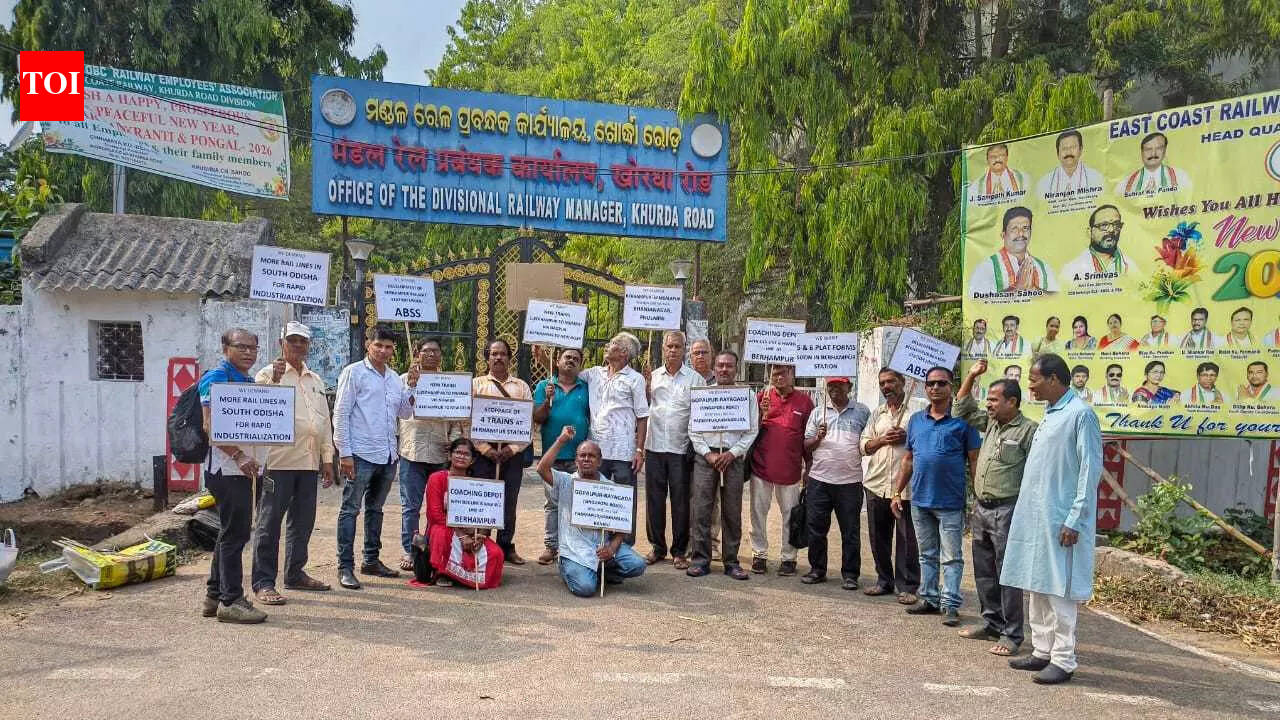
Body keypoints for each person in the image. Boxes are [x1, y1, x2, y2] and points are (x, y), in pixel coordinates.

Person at [1003, 353, 1103, 684]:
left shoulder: (1081, 415)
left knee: (1059, 590)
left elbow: (1090, 472)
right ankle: (1041, 651)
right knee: (1038, 584)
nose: (1029, 385)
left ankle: (1064, 659)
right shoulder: (1050, 413)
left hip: (1062, 520)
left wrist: (1075, 519)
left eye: (1034, 379)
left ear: (1054, 380)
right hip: (1037, 518)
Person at [955, 359, 1037, 657]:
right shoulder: (991, 423)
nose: (988, 405)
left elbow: (1036, 474)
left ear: (1012, 401)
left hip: (1008, 510)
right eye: (987, 399)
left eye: (993, 399)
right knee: (984, 570)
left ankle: (1013, 634)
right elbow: (961, 408)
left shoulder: (1029, 431)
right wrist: (972, 375)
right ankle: (991, 623)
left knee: (1008, 573)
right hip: (982, 508)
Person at [249, 322, 334, 606]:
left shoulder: (315, 380)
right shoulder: (267, 374)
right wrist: (272, 382)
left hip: (308, 462)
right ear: (281, 343)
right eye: (293, 340)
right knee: (269, 523)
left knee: (303, 522)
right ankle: (263, 581)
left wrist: (327, 459)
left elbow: (324, 422)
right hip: (278, 462)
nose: (298, 346)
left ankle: (295, 572)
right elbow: (256, 410)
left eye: (303, 341)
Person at [891, 367, 981, 626]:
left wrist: (977, 497)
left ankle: (950, 603)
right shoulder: (917, 420)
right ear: (925, 388)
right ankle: (929, 598)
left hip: (951, 502)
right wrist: (897, 492)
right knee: (926, 554)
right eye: (930, 384)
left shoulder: (963, 421)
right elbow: (908, 460)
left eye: (941, 383)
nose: (935, 388)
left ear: (950, 387)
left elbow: (974, 460)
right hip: (920, 500)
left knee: (951, 556)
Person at [333, 327, 417, 589]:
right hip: (359, 453)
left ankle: (371, 559)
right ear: (368, 344)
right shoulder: (353, 373)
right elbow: (341, 414)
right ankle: (345, 566)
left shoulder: (394, 378)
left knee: (375, 510)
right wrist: (344, 453)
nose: (383, 351)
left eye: (389, 347)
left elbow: (404, 412)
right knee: (350, 509)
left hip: (387, 454)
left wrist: (412, 386)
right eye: (379, 345)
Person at [199, 329, 271, 624]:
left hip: (245, 469)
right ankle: (231, 600)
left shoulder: (247, 382)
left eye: (253, 348)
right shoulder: (215, 378)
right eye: (241, 347)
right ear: (225, 347)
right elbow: (209, 426)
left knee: (230, 531)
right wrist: (239, 455)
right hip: (226, 468)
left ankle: (214, 595)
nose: (249, 353)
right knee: (236, 534)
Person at [538, 426, 646, 597]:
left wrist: (611, 549)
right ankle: (568, 568)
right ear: (576, 461)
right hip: (574, 551)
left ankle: (602, 571)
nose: (587, 459)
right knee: (586, 588)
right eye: (582, 456)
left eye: (592, 456)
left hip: (603, 548)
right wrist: (561, 440)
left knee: (637, 564)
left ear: (600, 461)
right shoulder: (565, 482)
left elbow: (621, 529)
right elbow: (541, 468)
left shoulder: (611, 489)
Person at [688, 350, 759, 580]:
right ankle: (700, 559)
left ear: (736, 369)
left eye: (729, 366)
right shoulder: (702, 395)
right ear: (714, 368)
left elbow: (752, 431)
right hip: (705, 457)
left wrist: (733, 453)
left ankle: (731, 561)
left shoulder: (746, 395)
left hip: (733, 459)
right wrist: (708, 455)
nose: (724, 370)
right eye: (720, 366)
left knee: (732, 511)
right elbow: (693, 429)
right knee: (701, 510)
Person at [397, 338, 462, 572]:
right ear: (418, 353)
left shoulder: (450, 383)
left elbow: (456, 422)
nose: (431, 355)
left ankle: (434, 549)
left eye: (435, 351)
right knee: (410, 507)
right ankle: (411, 550)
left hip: (439, 454)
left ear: (441, 355)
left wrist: (453, 444)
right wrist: (412, 387)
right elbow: (398, 412)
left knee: (439, 508)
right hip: (411, 453)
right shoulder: (404, 380)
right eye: (426, 351)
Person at [580, 332, 650, 543]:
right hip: (596, 451)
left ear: (624, 352)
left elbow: (642, 417)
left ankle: (624, 546)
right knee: (594, 498)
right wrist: (544, 357)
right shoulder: (594, 373)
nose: (606, 346)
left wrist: (639, 450)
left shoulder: (635, 379)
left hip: (623, 451)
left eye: (611, 344)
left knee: (623, 500)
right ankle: (594, 543)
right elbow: (568, 373)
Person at [801, 377, 870, 589]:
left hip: (850, 482)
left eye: (840, 385)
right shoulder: (817, 413)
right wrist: (818, 438)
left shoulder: (862, 412)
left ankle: (850, 574)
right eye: (831, 385)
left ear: (849, 387)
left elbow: (868, 442)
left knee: (850, 530)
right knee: (816, 528)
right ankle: (817, 570)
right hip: (820, 480)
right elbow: (806, 446)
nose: (835, 390)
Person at [643, 331, 704, 568]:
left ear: (685, 350)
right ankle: (657, 547)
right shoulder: (652, 376)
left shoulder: (694, 379)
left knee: (680, 502)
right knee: (654, 500)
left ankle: (679, 551)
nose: (673, 350)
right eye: (669, 346)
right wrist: (646, 386)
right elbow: (642, 406)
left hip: (680, 448)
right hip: (655, 446)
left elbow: (700, 415)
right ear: (663, 349)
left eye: (678, 346)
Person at [861, 368, 921, 604]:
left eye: (891, 382)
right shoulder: (878, 413)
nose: (887, 387)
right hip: (876, 483)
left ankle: (907, 586)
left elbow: (924, 441)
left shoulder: (916, 412)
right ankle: (883, 580)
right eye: (882, 383)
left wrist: (907, 437)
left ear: (903, 382)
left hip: (905, 486)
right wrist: (882, 440)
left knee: (907, 539)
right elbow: (864, 444)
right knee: (878, 537)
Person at [471, 338, 533, 564]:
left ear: (509, 358)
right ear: (487, 357)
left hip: (512, 455)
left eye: (503, 354)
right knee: (484, 498)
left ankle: (506, 545)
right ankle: (482, 543)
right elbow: (468, 421)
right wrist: (485, 449)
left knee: (509, 500)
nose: (498, 357)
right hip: (483, 455)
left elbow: (528, 424)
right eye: (494, 354)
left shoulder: (522, 387)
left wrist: (513, 449)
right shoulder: (476, 385)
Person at [749, 363, 814, 576]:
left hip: (791, 469)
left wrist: (809, 467)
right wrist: (761, 414)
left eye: (783, 373)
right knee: (758, 513)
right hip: (761, 467)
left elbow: (807, 437)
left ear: (792, 374)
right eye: (774, 374)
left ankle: (789, 557)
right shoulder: (761, 398)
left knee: (790, 515)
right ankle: (759, 554)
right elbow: (750, 431)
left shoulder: (805, 401)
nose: (778, 378)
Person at [531, 346, 590, 566]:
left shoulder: (586, 387)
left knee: (578, 503)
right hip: (552, 456)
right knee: (553, 503)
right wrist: (547, 401)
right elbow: (538, 418)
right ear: (557, 361)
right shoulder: (544, 386)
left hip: (579, 458)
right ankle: (551, 546)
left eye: (576, 358)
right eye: (567, 357)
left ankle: (574, 545)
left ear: (580, 364)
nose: (571, 361)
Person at [425, 438, 504, 589]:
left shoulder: (477, 484)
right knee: (441, 534)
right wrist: (461, 535)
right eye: (457, 452)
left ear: (472, 460)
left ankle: (463, 577)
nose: (461, 457)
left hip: (471, 531)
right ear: (450, 455)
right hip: (445, 528)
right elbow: (435, 514)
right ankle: (443, 573)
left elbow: (485, 515)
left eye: (466, 454)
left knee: (496, 553)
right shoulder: (437, 479)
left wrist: (480, 534)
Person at [969, 207, 1057, 295]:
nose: (1021, 234)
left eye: (1025, 228)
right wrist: (1017, 288)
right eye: (1014, 229)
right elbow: (978, 303)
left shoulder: (1044, 268)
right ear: (1003, 235)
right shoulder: (987, 267)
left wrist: (1034, 289)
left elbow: (1059, 299)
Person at [689, 338, 722, 557]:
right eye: (696, 353)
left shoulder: (721, 380)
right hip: (686, 445)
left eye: (704, 352)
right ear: (690, 357)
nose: (700, 356)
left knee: (714, 498)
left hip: (713, 447)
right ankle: (694, 544)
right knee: (692, 498)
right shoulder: (685, 379)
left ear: (712, 355)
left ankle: (713, 542)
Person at [1060, 205, 1135, 284]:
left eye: (1116, 224)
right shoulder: (1071, 271)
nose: (1111, 230)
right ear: (1090, 232)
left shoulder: (1130, 267)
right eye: (1104, 225)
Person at [1117, 131, 1191, 196]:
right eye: (1148, 149)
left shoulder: (1180, 177)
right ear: (1142, 152)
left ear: (1164, 151)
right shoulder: (1126, 184)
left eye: (1159, 148)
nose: (1153, 153)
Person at [1036, 130, 1103, 195]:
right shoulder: (1044, 183)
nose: (1068, 152)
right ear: (1058, 153)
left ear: (1081, 149)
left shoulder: (1097, 179)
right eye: (1064, 148)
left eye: (1073, 147)